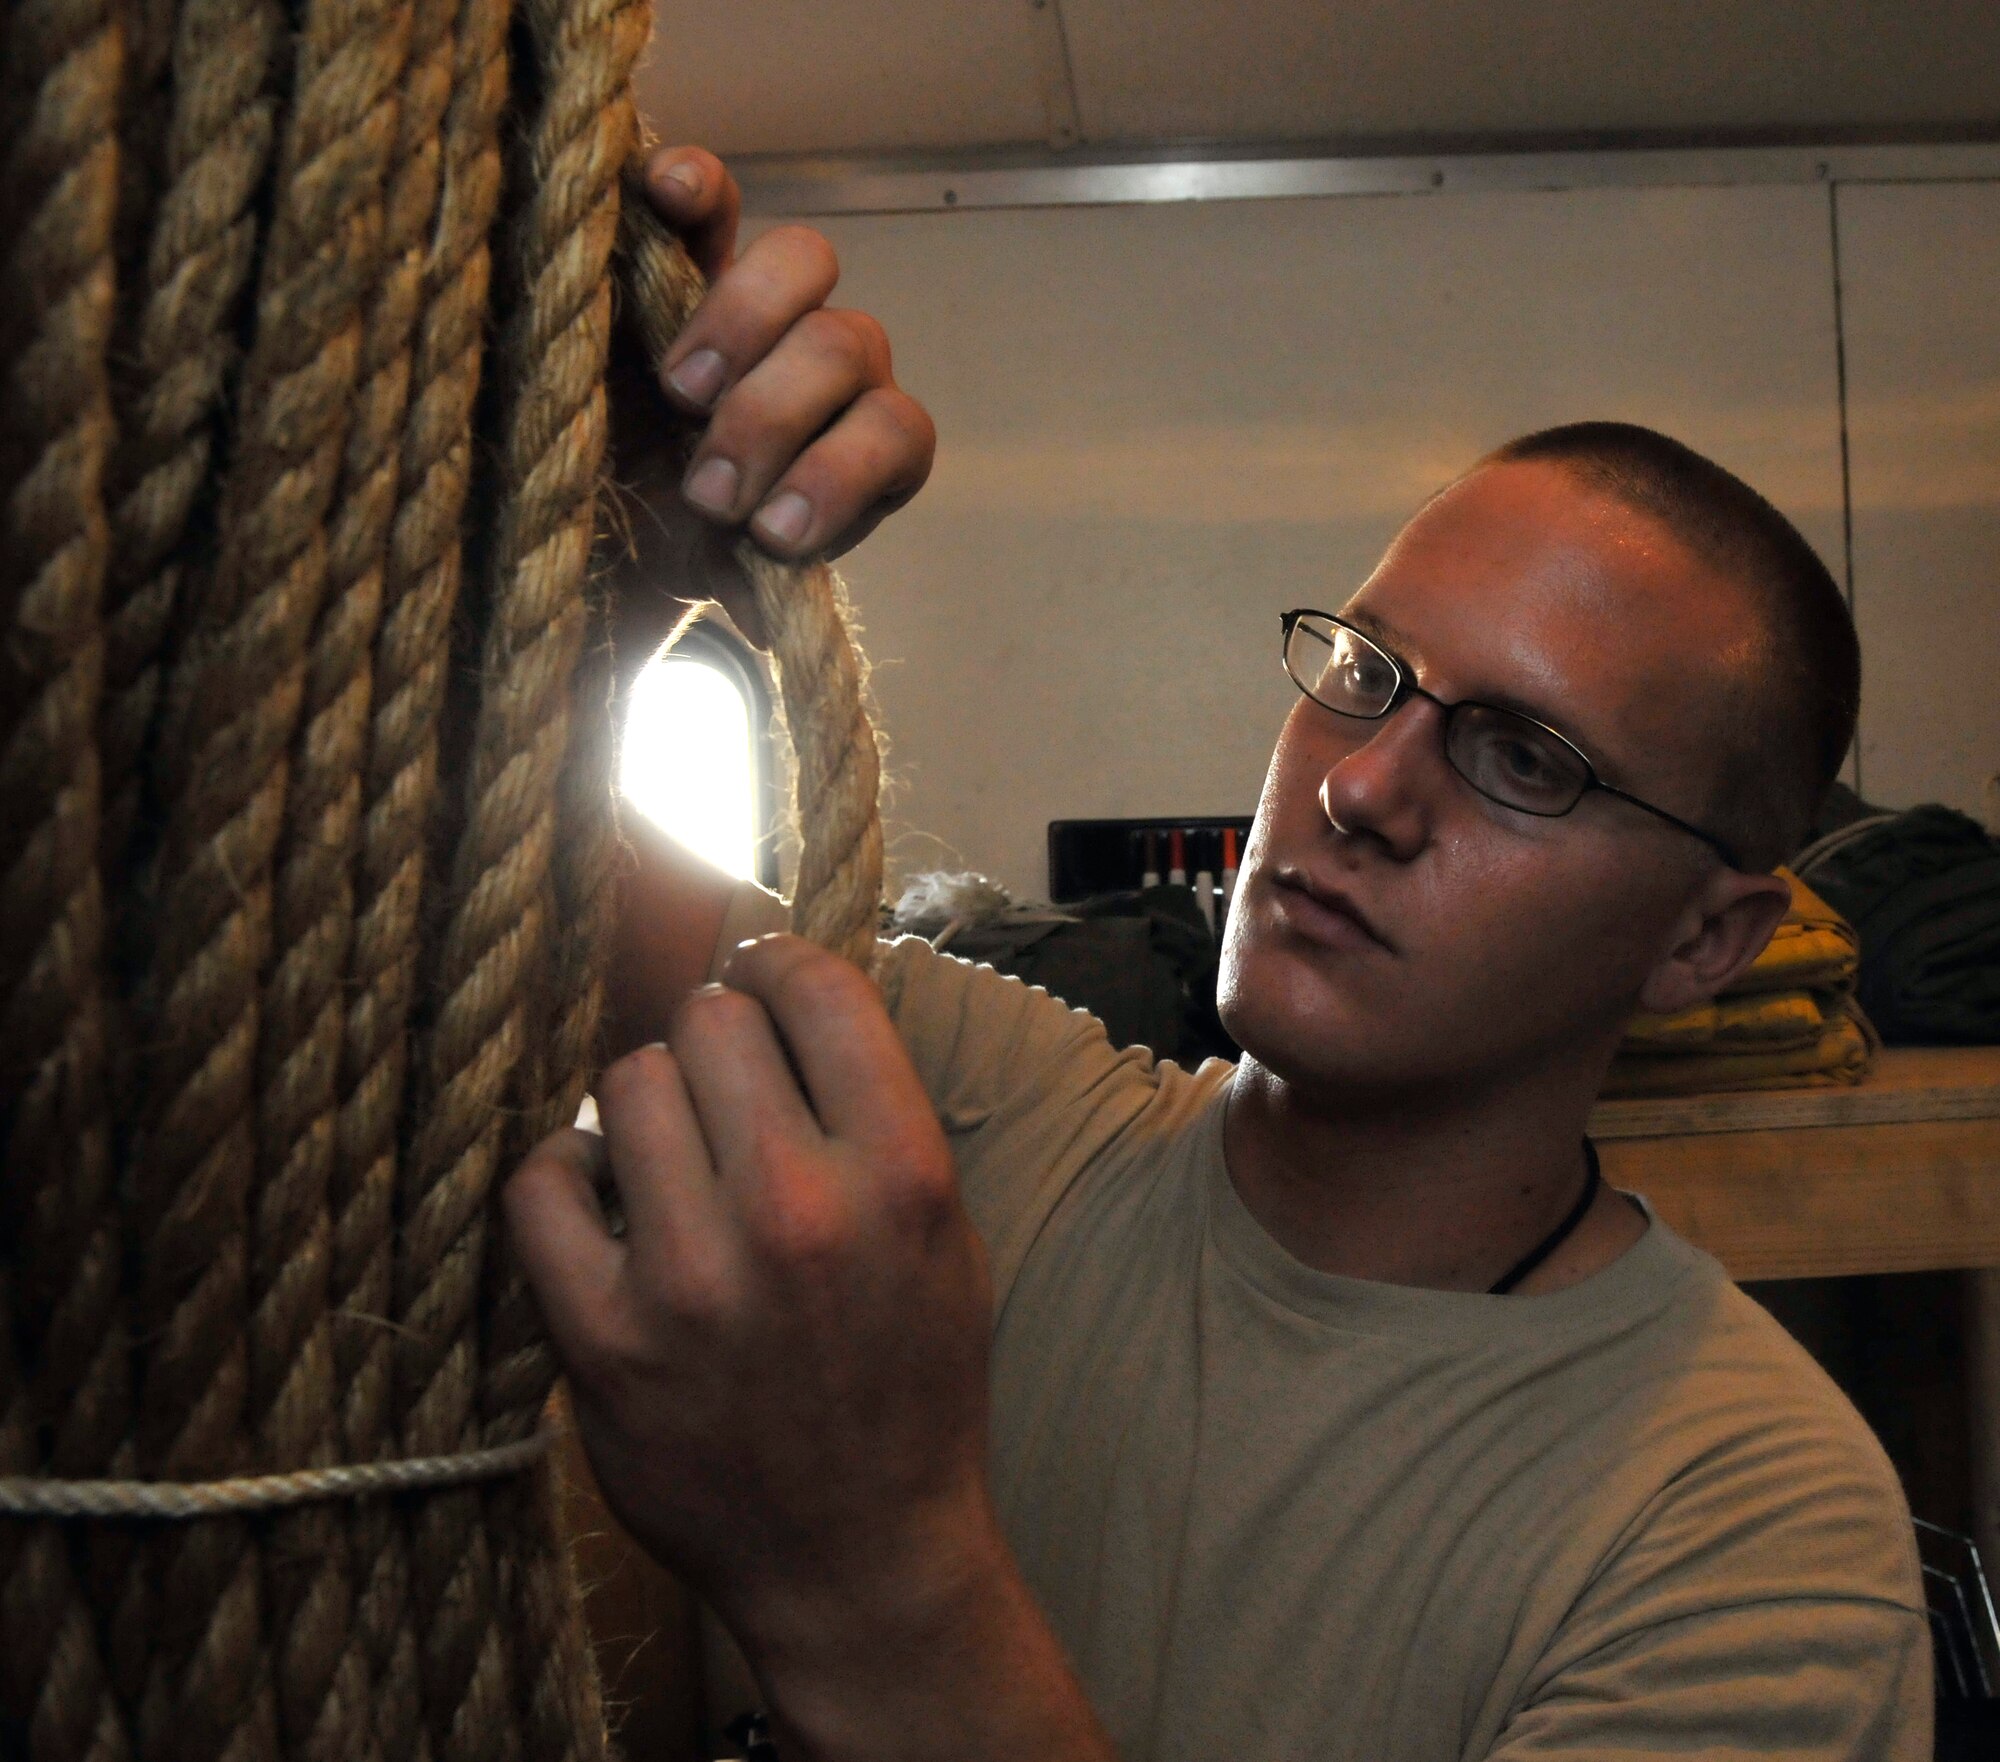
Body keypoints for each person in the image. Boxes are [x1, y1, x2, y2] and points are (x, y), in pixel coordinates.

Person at [503, 146, 1931, 1761]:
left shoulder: (1754, 1537)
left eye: (1523, 759)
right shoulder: (968, 1112)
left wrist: (872, 1578)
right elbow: (505, 906)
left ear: (1704, 936)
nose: (1361, 785)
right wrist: (601, 554)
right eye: (1367, 671)